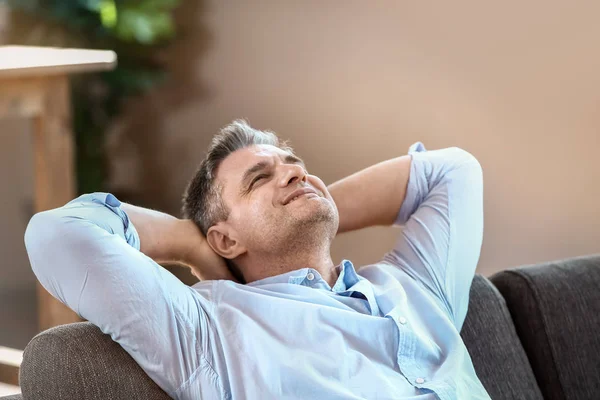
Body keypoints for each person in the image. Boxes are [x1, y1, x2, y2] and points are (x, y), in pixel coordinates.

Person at [24, 119, 490, 399]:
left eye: (294, 164)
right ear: (224, 240)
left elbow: (454, 171)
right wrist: (191, 244)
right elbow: (55, 236)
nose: (294, 172)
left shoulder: (414, 288)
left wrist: (310, 208)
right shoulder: (212, 331)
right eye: (259, 178)